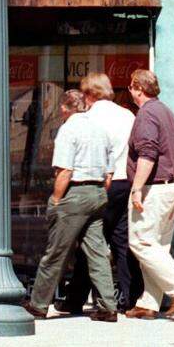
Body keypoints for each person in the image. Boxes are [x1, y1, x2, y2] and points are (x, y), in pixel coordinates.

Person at [24, 90, 118, 322]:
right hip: (97, 192)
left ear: (66, 108)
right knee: (97, 251)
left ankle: (38, 304)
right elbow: (109, 173)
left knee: (56, 251)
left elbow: (65, 170)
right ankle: (108, 306)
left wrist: (56, 200)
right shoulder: (100, 130)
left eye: (61, 108)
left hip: (75, 193)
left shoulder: (68, 129)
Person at [60, 73, 141, 313]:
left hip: (101, 183)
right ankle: (129, 296)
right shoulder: (127, 115)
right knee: (121, 240)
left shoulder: (88, 118)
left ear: (89, 94)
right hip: (125, 181)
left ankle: (76, 298)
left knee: (91, 240)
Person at [124, 69, 174, 318]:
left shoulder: (146, 114)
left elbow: (147, 154)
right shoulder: (166, 111)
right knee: (158, 246)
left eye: (131, 87)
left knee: (140, 241)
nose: (130, 91)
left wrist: (136, 190)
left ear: (138, 89)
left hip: (155, 187)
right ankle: (148, 303)